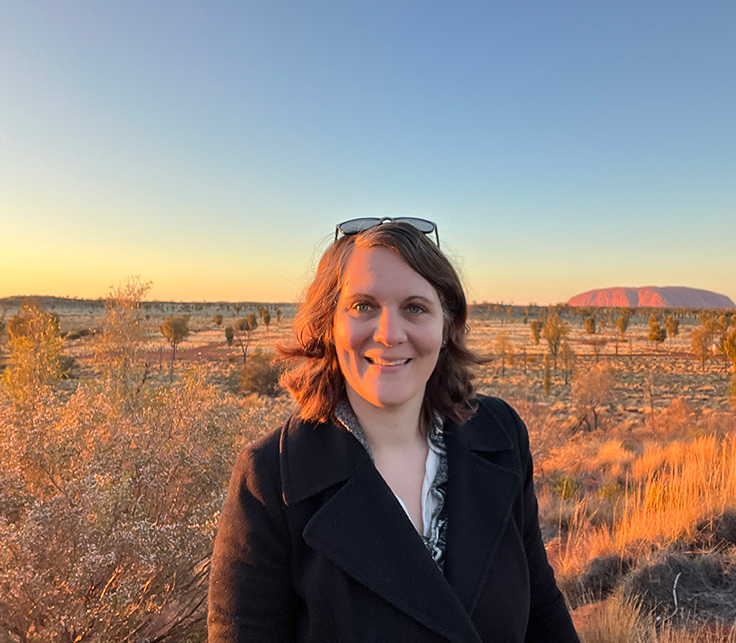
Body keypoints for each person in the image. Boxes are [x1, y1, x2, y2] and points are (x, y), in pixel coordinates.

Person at [208, 218, 579, 642]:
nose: (389, 333)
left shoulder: (500, 437)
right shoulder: (272, 479)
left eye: (415, 308)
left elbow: (541, 609)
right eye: (363, 306)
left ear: (446, 328)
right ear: (330, 325)